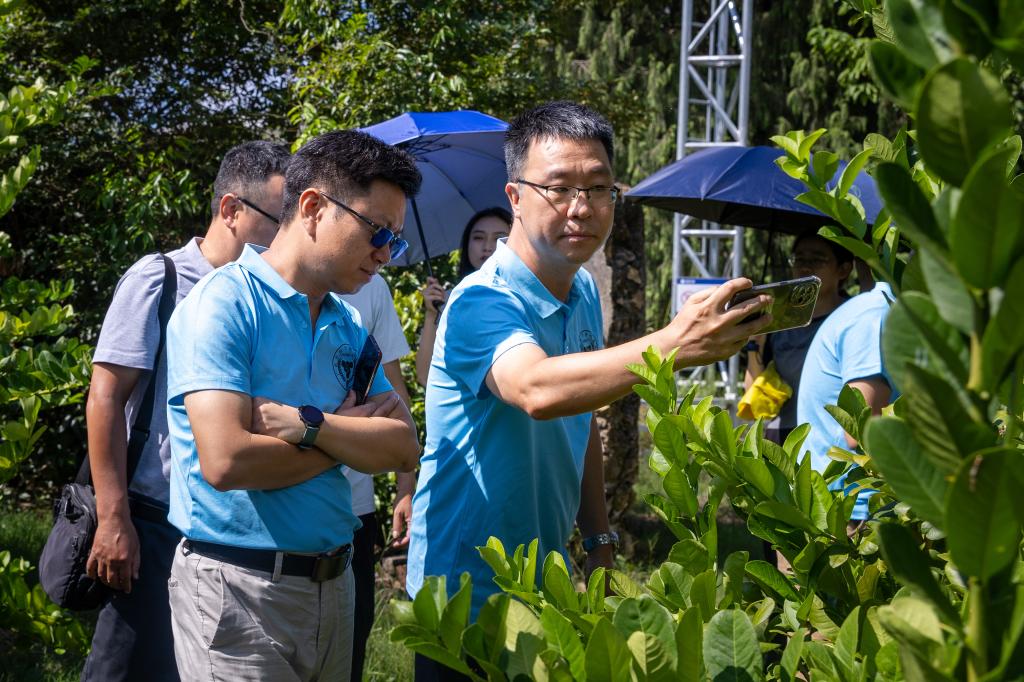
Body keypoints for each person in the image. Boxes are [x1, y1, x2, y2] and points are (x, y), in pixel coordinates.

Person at [405, 101, 770, 680]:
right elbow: (535, 390)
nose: (581, 208)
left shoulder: (579, 293)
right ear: (515, 196)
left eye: (598, 188)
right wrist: (675, 343)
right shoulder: (482, 299)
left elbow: (577, 421)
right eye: (558, 188)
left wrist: (599, 540)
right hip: (465, 593)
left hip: (542, 583)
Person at [164, 130, 422, 681]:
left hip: (335, 585)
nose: (385, 254)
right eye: (378, 231)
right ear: (312, 207)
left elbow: (403, 446)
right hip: (239, 590)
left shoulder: (348, 323)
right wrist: (347, 437)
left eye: (395, 241)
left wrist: (311, 426)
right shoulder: (223, 304)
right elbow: (227, 461)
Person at [82, 140, 290, 682]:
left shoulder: (268, 299)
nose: (286, 235)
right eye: (278, 219)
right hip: (152, 520)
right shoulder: (162, 279)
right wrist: (113, 517)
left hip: (224, 533)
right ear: (231, 209)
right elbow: (105, 396)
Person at [339, 273, 417, 682]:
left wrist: (406, 487)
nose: (381, 252)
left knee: (353, 641)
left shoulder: (370, 286)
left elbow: (393, 389)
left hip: (354, 508)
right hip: (283, 506)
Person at [796, 262, 894, 523]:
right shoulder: (876, 314)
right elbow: (861, 431)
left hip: (852, 503)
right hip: (856, 511)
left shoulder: (876, 309)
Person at [744, 233, 853, 444]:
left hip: (834, 436)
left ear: (844, 269)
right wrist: (754, 344)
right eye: (799, 259)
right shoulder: (778, 321)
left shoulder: (854, 319)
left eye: (817, 260)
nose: (805, 267)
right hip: (784, 436)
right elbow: (752, 390)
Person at [415, 207, 512, 386]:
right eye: (478, 238)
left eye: (499, 238)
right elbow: (425, 376)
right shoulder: (451, 301)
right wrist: (431, 314)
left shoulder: (527, 298)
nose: (487, 247)